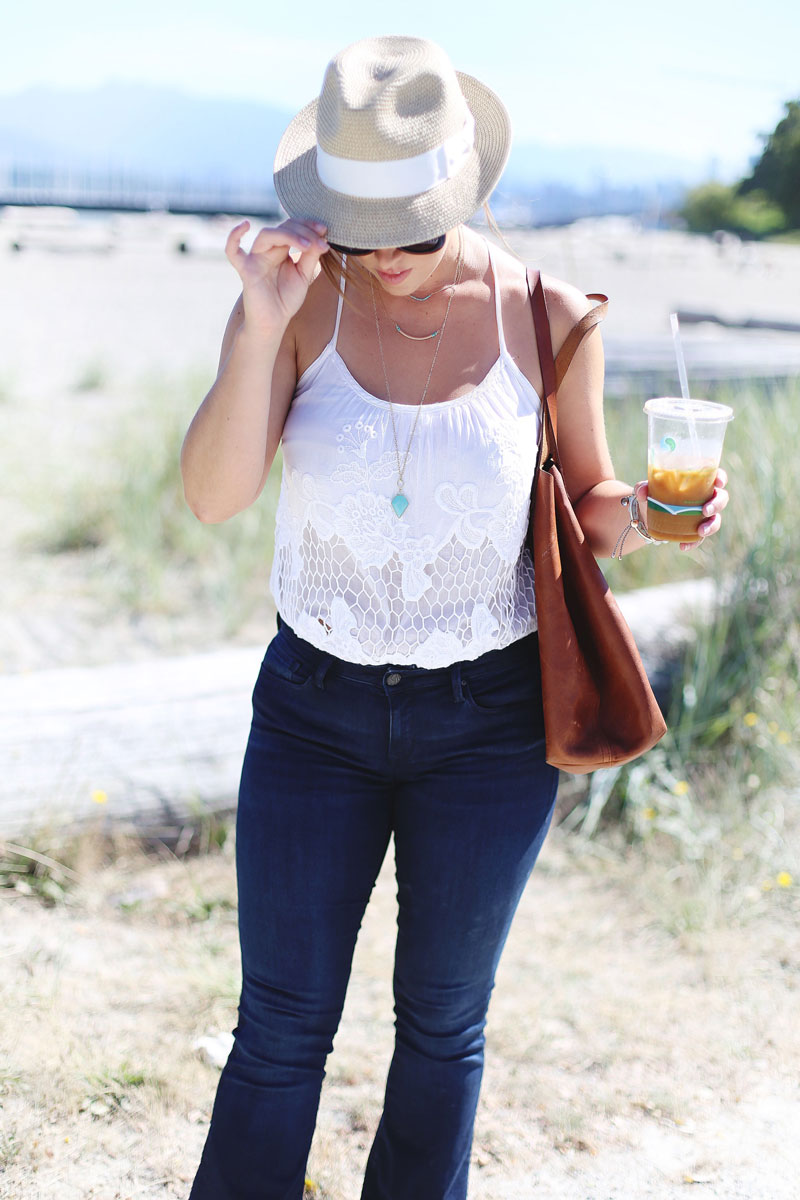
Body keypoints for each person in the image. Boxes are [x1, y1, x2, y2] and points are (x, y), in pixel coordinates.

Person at [181, 35, 728, 1200]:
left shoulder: (545, 315)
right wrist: (259, 318)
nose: (383, 260)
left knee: (440, 1023)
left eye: (411, 231)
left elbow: (584, 512)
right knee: (278, 1026)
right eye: (360, 230)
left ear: (462, 196)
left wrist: (651, 513)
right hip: (309, 714)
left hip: (487, 726)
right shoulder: (298, 300)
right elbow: (216, 497)